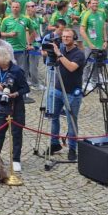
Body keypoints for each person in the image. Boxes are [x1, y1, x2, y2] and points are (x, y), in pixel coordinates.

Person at [46, 28, 86, 162]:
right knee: (53, 117)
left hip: (72, 93)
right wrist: (51, 52)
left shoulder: (79, 54)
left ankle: (72, 148)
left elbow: (71, 67)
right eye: (63, 37)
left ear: (74, 38)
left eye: (68, 37)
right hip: (57, 89)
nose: (65, 39)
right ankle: (54, 143)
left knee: (71, 121)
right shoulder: (61, 49)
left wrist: (59, 54)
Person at [0, 49, 29, 173]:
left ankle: (16, 159)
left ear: (1, 59)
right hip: (0, 106)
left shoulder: (17, 71)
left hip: (15, 107)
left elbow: (26, 88)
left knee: (16, 134)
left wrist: (16, 93)